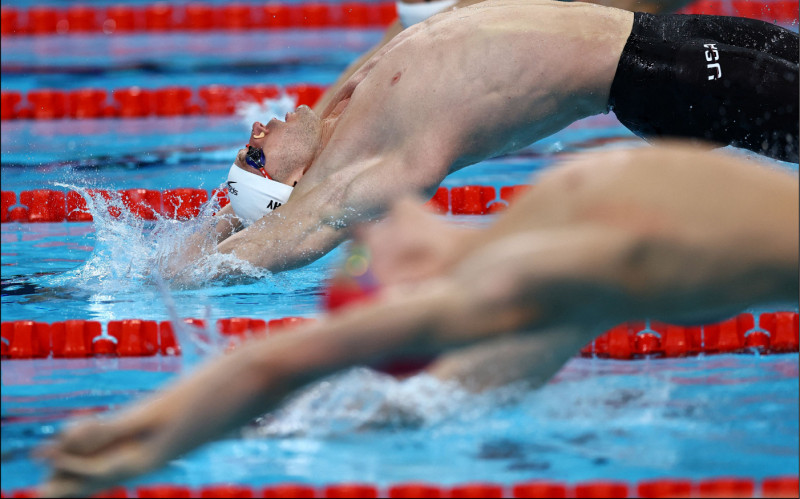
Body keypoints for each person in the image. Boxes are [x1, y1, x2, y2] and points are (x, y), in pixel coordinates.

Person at [38, 143, 799, 497]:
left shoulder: (534, 233)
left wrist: (139, 430)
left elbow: (285, 364)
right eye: (364, 264)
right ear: (415, 293)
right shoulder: (518, 279)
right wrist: (130, 444)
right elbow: (278, 364)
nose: (371, 233)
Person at [162, 0, 798, 281]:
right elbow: (296, 233)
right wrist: (189, 263)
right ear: (296, 182)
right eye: (256, 155)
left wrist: (236, 209)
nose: (256, 130)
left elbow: (276, 203)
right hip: (662, 77)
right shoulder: (367, 167)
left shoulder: (345, 110)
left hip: (661, 35)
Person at [313, 0, 718, 114]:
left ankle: (307, 143)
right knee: (617, 15)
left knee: (608, 16)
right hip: (459, 3)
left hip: (429, 1)